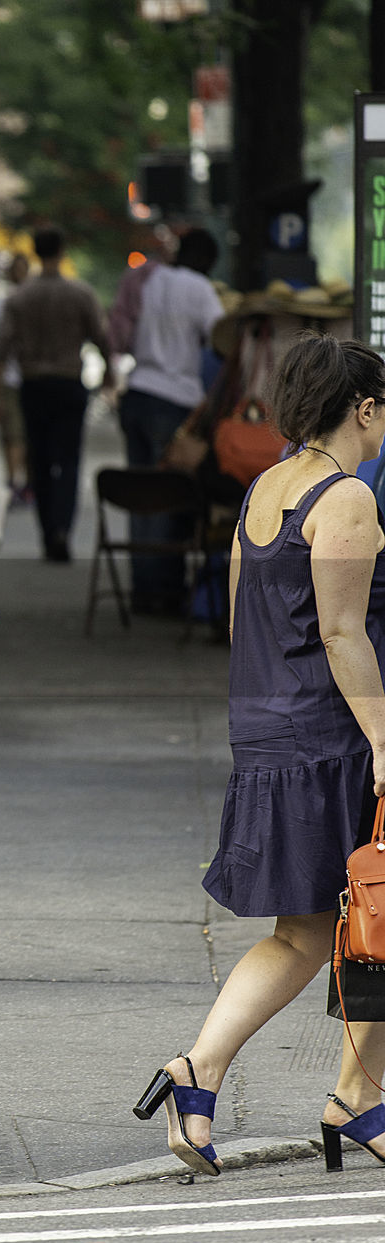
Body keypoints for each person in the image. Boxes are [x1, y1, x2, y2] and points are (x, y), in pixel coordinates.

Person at [133, 334, 385, 1176]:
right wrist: (384, 739)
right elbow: (343, 632)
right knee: (367, 922)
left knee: (309, 932)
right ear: (365, 408)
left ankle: (199, 1075)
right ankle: (355, 1097)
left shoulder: (261, 491)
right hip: (338, 738)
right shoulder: (345, 497)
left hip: (275, 738)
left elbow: (249, 626)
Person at [116, 228, 224, 614]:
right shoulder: (200, 288)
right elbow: (222, 337)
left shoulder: (148, 278)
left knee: (140, 492)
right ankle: (163, 592)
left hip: (137, 391)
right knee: (168, 496)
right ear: (208, 262)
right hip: (176, 398)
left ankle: (143, 590)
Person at [0, 227, 110, 562]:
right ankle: (63, 529)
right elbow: (101, 337)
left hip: (34, 384)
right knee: (69, 460)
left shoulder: (19, 298)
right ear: (62, 251)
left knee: (39, 461)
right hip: (69, 382)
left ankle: (47, 531)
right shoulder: (80, 293)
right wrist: (110, 374)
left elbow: (1, 349)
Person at [0, 254, 30, 502]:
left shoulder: (36, 302)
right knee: (12, 433)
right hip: (9, 378)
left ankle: (27, 482)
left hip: (32, 378)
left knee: (27, 433)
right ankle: (14, 482)